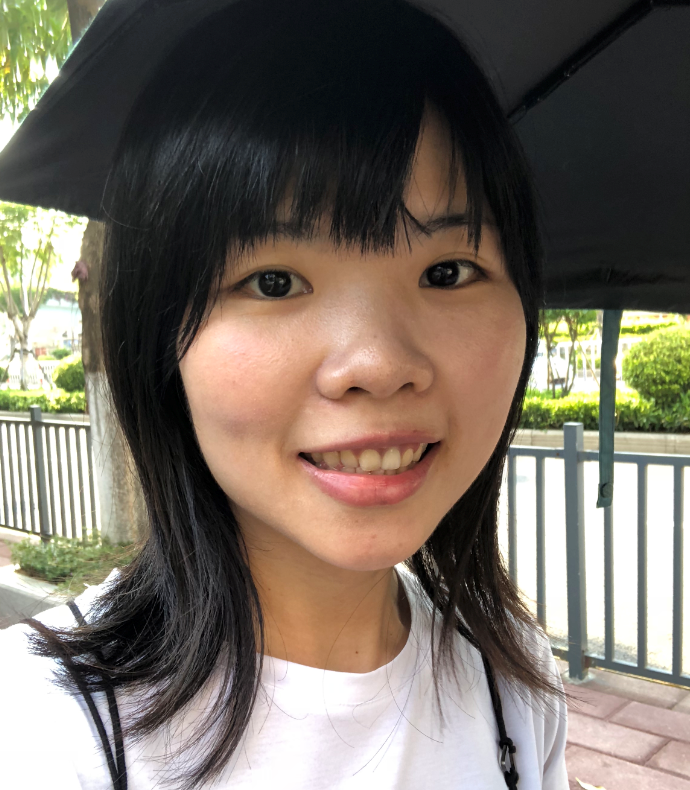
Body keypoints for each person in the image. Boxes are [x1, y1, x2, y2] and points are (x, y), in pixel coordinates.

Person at [0, 0, 568, 787]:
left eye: (447, 271)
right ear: (158, 337)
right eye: (273, 282)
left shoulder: (513, 682)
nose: (378, 364)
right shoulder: (41, 732)